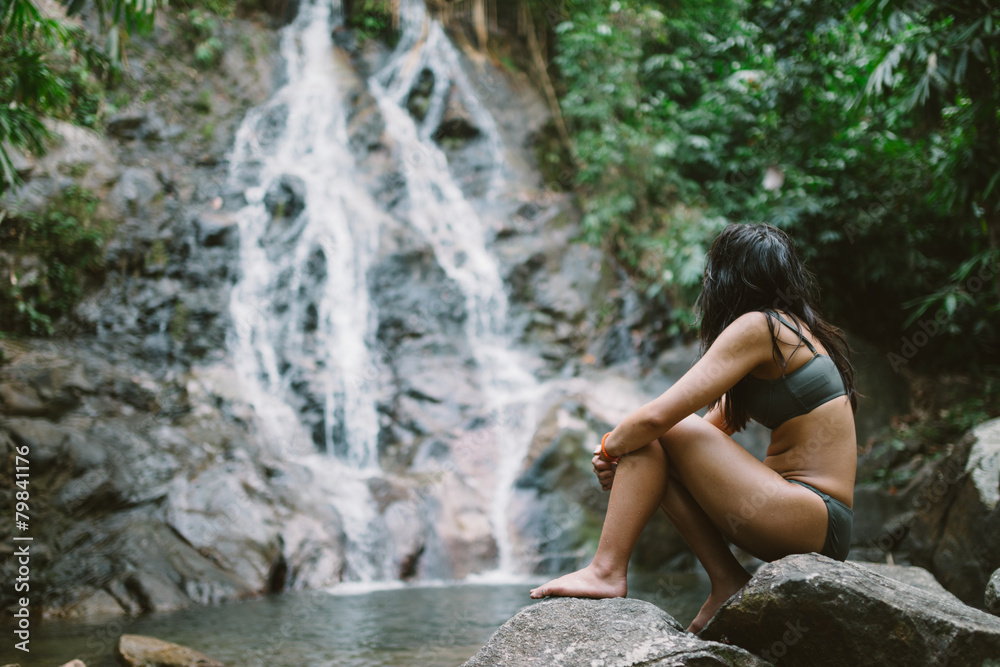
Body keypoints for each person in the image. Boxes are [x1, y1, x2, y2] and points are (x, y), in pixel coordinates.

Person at [529, 222, 858, 634]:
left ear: (725, 279)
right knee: (656, 448)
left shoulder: (765, 326)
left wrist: (611, 448)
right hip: (802, 521)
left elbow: (658, 420)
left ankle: (606, 570)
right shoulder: (788, 332)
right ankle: (726, 581)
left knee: (653, 432)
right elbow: (693, 441)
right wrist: (636, 461)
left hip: (812, 516)